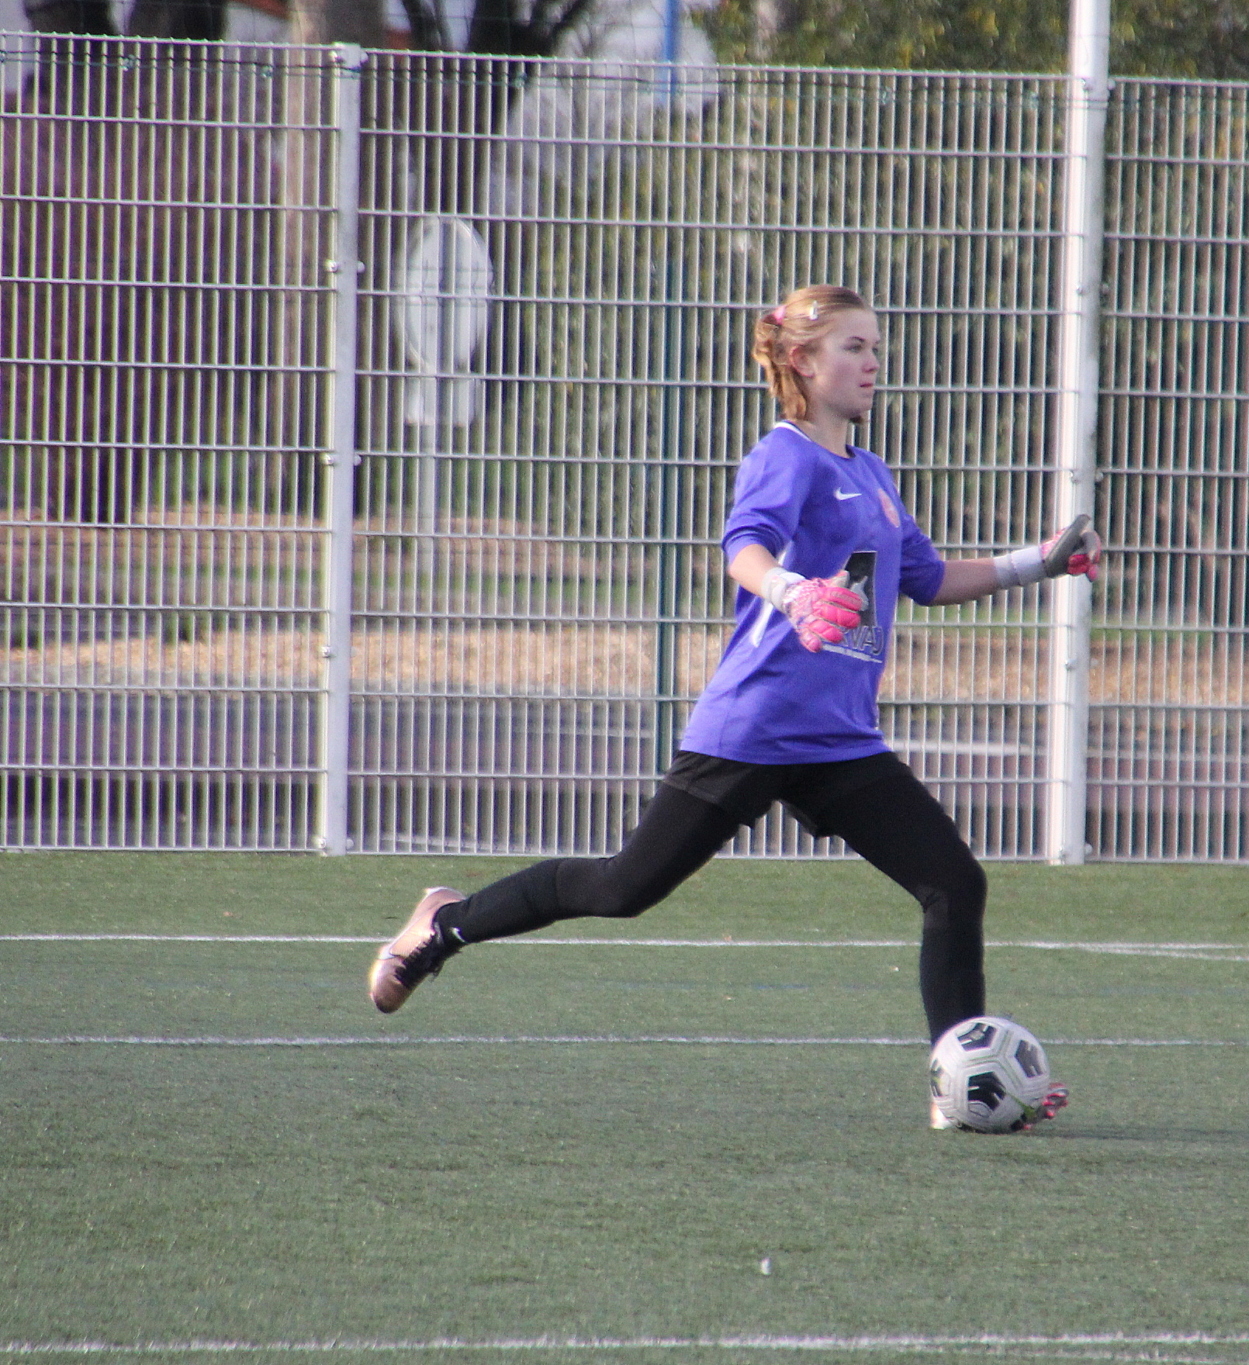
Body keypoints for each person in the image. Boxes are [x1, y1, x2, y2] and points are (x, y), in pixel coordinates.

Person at [365, 284, 1100, 1130]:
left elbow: (926, 579)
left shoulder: (871, 472)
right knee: (622, 887)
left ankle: (956, 1085)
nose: (872, 362)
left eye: (875, 347)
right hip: (753, 728)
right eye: (854, 347)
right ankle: (442, 926)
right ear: (802, 361)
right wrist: (790, 591)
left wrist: (1037, 562)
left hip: (837, 743)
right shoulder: (786, 456)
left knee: (954, 884)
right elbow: (742, 548)